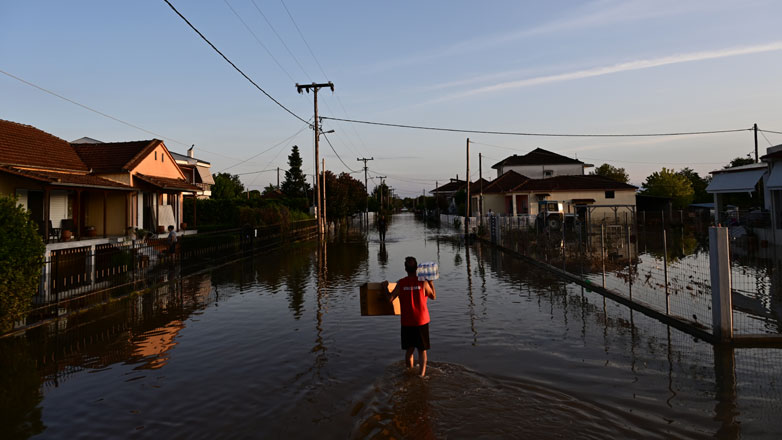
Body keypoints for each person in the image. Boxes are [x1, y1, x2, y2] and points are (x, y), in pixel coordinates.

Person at [383, 256, 436, 377]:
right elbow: (433, 296)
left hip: (407, 322)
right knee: (422, 350)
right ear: (416, 268)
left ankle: (409, 371)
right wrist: (431, 282)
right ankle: (422, 375)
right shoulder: (423, 282)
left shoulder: (401, 283)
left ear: (405, 269)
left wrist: (384, 287)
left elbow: (389, 299)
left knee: (409, 350)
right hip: (422, 321)